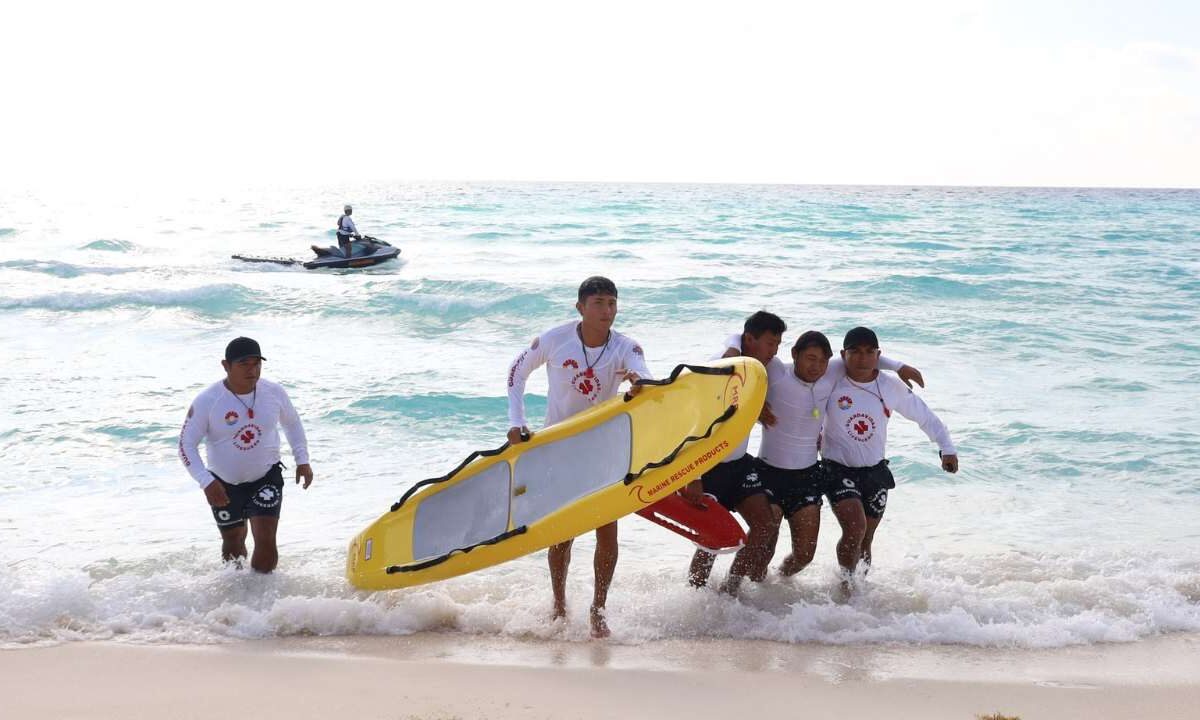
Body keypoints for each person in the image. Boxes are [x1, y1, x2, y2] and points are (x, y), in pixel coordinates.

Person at [505, 276, 651, 638]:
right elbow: (516, 373)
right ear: (580, 308)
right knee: (562, 534)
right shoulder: (555, 339)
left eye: (612, 303)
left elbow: (645, 375)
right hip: (561, 449)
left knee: (608, 532)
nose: (607, 311)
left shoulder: (626, 346)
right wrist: (516, 421)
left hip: (605, 451)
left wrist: (639, 381)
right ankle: (558, 603)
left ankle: (599, 609)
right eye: (599, 303)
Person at [753, 330, 921, 594]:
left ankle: (779, 584)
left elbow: (862, 358)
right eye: (809, 358)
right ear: (794, 354)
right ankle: (747, 605)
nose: (815, 366)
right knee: (764, 545)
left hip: (807, 477)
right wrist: (754, 402)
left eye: (821, 360)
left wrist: (899, 366)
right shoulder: (777, 372)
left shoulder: (828, 374)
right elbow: (744, 350)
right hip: (769, 473)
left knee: (805, 556)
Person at [821, 326, 958, 573]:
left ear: (878, 354)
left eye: (869, 352)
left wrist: (946, 447)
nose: (862, 358)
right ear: (843, 355)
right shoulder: (831, 381)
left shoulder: (890, 387)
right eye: (855, 352)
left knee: (866, 538)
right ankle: (845, 587)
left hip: (875, 471)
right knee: (855, 528)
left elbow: (925, 417)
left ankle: (860, 591)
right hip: (836, 468)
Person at [178, 337, 314, 573]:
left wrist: (302, 460)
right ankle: (237, 595)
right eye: (244, 364)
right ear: (226, 366)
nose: (252, 370)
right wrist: (206, 481)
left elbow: (292, 423)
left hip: (266, 477)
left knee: (266, 538)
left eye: (256, 364)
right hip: (223, 484)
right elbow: (185, 445)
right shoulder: (208, 401)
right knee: (233, 541)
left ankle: (262, 598)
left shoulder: (273, 392)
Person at [685, 311, 785, 595]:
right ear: (749, 339)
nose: (774, 352)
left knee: (764, 525)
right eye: (769, 344)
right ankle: (696, 597)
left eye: (778, 345)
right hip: (708, 468)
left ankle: (730, 591)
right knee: (712, 539)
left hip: (739, 465)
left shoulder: (759, 366)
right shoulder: (721, 368)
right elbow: (693, 426)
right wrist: (693, 476)